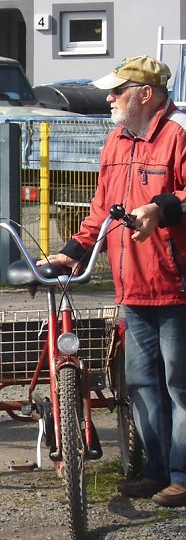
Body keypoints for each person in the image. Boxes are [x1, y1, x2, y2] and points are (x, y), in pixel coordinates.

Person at [41, 56, 186, 507]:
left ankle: (182, 475)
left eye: (117, 90)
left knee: (180, 385)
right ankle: (157, 471)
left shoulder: (179, 135)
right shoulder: (115, 142)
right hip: (132, 287)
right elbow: (102, 213)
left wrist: (161, 207)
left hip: (176, 286)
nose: (109, 98)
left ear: (145, 93)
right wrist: (71, 252)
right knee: (143, 384)